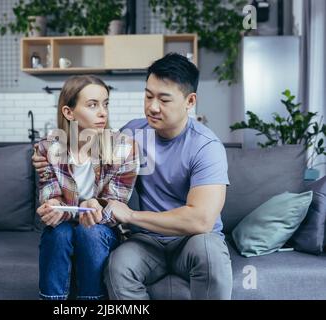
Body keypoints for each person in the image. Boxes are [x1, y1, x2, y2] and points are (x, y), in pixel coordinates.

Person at [33, 53, 232, 300]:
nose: (152, 107)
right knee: (119, 267)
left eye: (164, 99)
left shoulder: (206, 146)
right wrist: (44, 157)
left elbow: (200, 220)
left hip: (192, 240)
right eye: (148, 96)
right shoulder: (133, 132)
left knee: (210, 253)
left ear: (190, 101)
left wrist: (130, 215)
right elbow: (88, 146)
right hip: (148, 241)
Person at [35, 75, 140, 300]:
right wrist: (51, 204)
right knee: (58, 234)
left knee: (89, 232)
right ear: (68, 113)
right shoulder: (46, 148)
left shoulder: (124, 147)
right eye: (92, 105)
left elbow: (117, 204)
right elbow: (49, 191)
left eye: (105, 104)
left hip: (101, 228)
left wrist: (98, 204)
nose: (103, 112)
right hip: (63, 224)